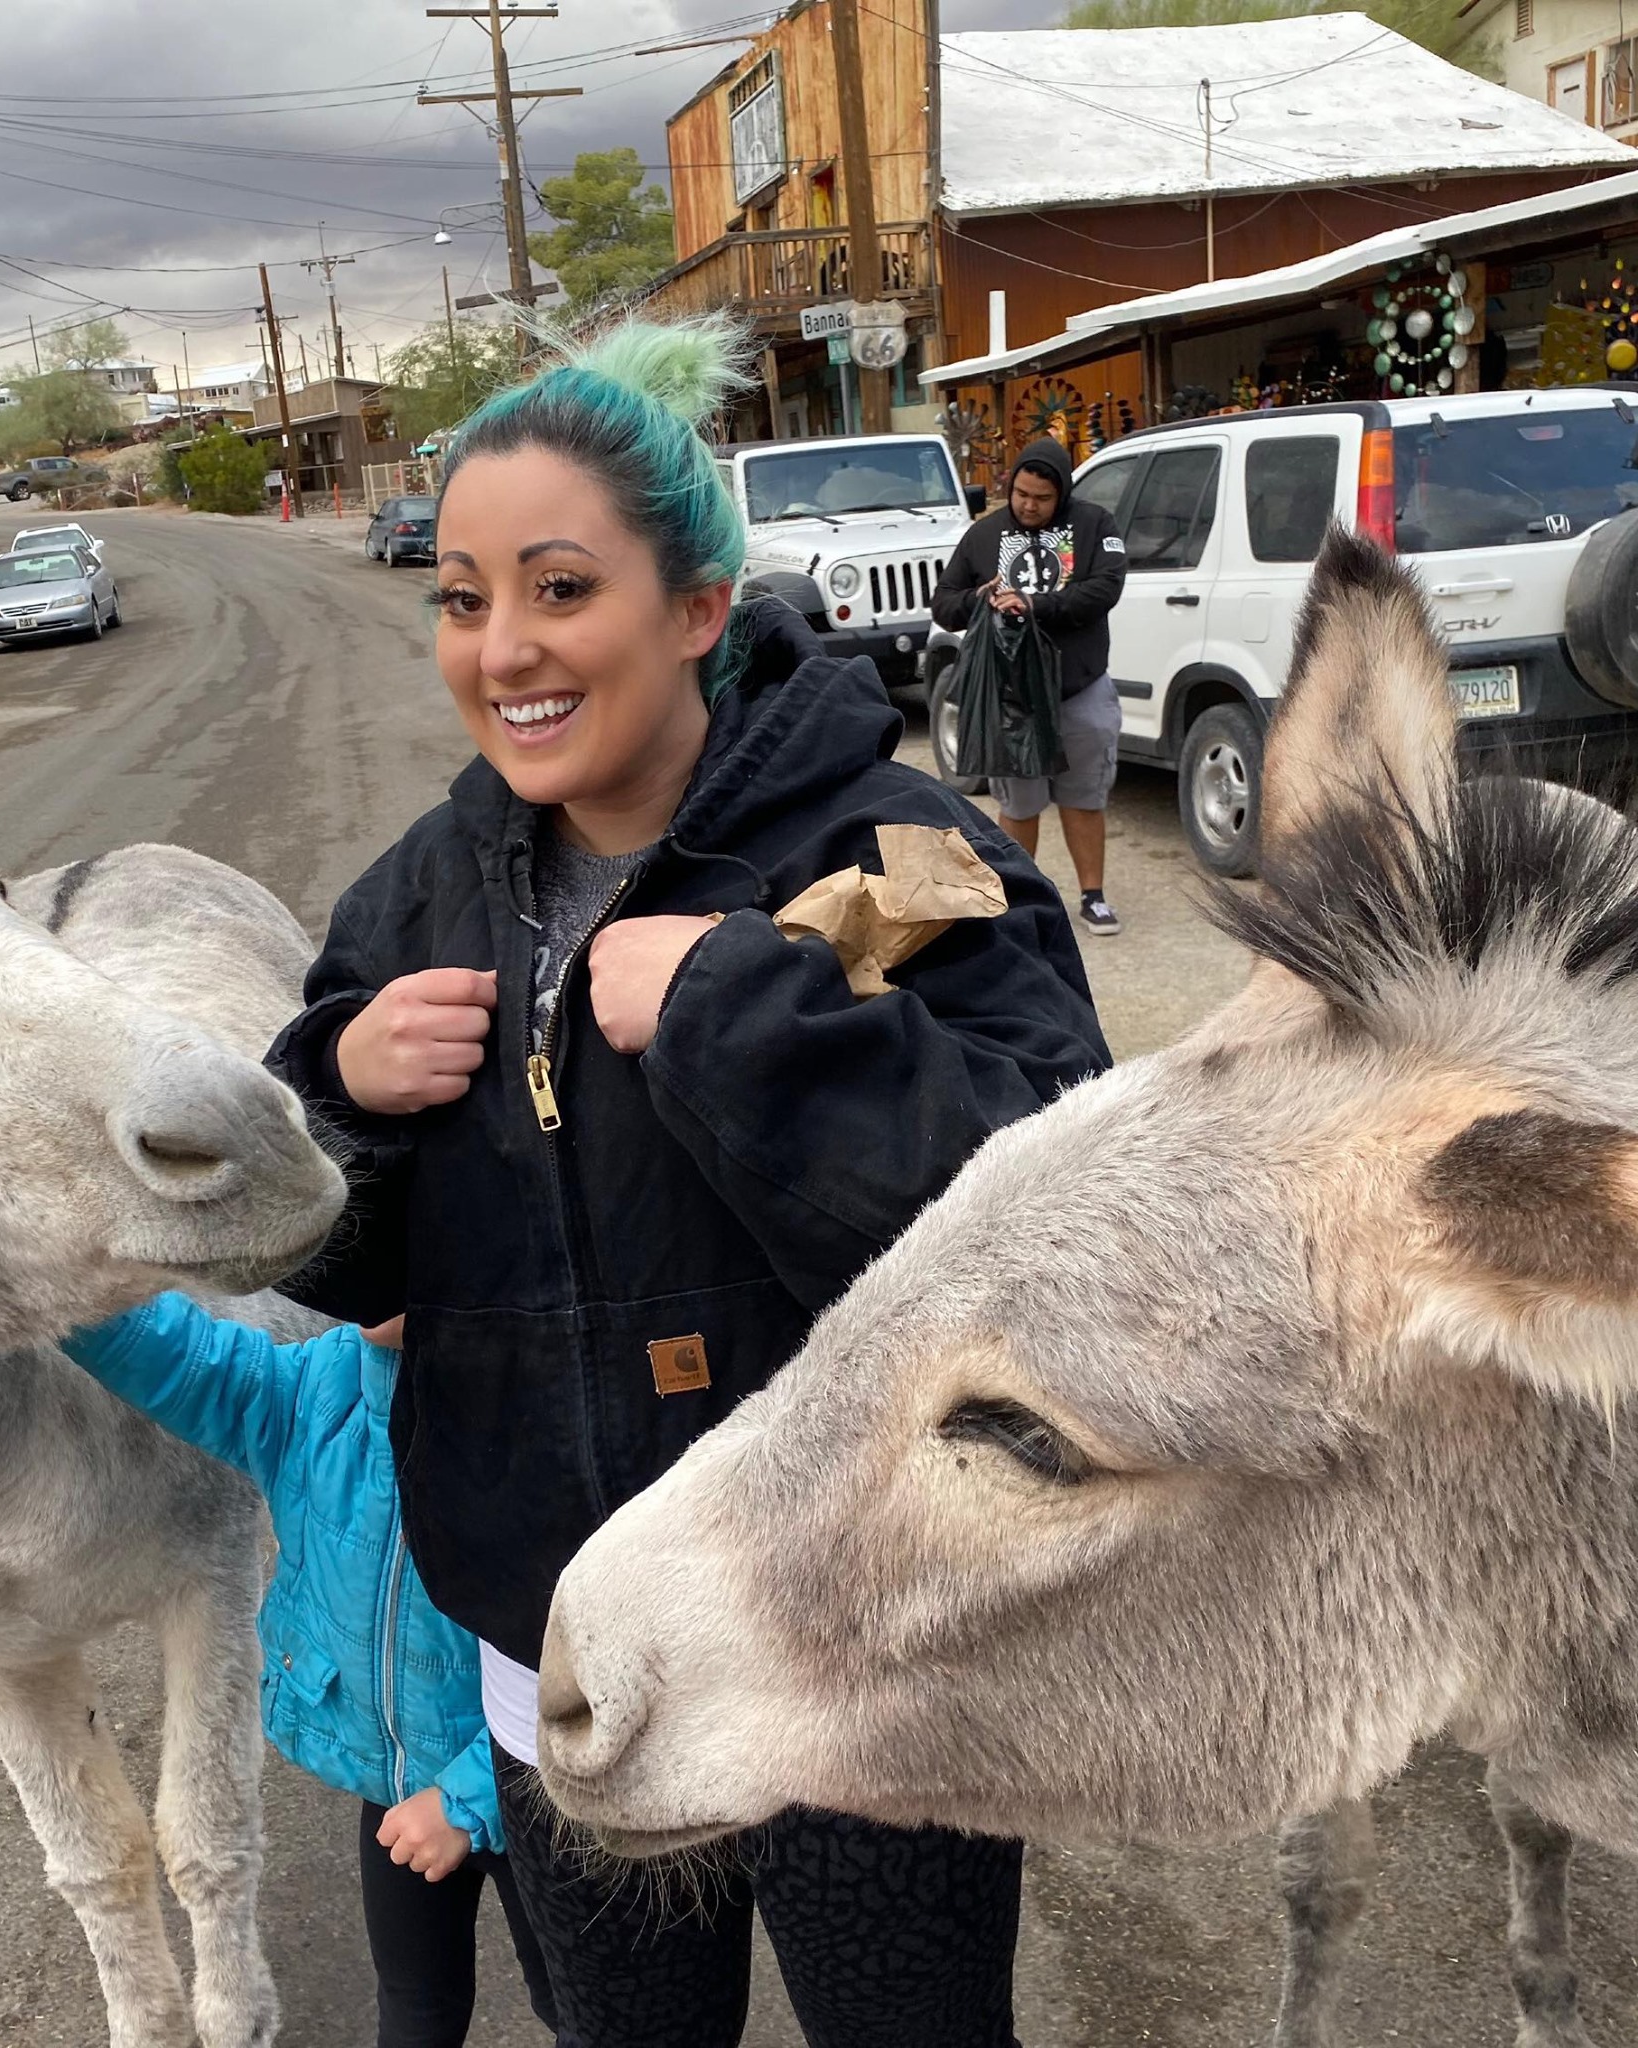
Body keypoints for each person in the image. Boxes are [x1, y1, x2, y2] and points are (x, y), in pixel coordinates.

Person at [270, 316, 1110, 2048]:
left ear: (698, 608)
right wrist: (335, 1101)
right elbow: (337, 1269)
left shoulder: (901, 852)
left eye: (560, 589)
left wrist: (737, 1008)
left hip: (863, 1650)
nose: (502, 649)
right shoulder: (413, 901)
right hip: (560, 1648)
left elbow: (1055, 1218)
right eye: (459, 595)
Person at [58, 1298, 555, 2048]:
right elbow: (177, 1356)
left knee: (573, 1999)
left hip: (532, 1795)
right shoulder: (313, 1391)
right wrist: (60, 1282)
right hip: (389, 1792)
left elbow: (599, 1661)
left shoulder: (546, 1413)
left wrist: (465, 1801)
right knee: (416, 2004)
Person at [931, 436, 1128, 936]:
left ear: (1061, 493)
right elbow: (944, 603)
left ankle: (1093, 896)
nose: (1028, 505)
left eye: (1041, 497)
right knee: (1019, 804)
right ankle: (1020, 899)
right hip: (1012, 700)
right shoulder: (984, 535)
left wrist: (1037, 605)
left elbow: (1106, 587)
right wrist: (979, 598)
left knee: (1085, 797)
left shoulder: (1093, 525)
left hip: (1079, 690)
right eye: (1020, 493)